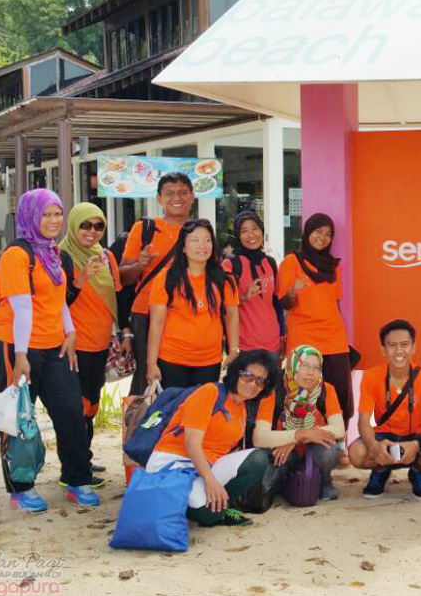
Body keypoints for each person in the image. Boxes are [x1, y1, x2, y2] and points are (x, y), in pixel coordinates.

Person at [0, 189, 99, 511]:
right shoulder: (16, 255)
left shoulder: (53, 253)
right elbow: (22, 308)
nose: (53, 220)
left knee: (71, 413)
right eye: (46, 214)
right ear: (30, 217)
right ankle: (21, 489)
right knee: (19, 418)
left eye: (57, 214)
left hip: (54, 346)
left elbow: (59, 299)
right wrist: (21, 356)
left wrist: (70, 331)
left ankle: (77, 480)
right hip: (17, 346)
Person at [145, 351, 278, 527]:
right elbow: (192, 442)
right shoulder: (210, 392)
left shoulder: (241, 407)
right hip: (174, 462)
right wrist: (210, 480)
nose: (253, 384)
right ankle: (180, 504)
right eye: (248, 375)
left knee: (257, 459)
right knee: (207, 514)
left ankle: (219, 507)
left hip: (205, 465)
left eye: (260, 380)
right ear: (236, 373)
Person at [277, 213, 354, 460]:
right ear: (307, 232)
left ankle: (339, 445)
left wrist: (343, 337)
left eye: (328, 234)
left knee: (340, 394)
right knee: (302, 395)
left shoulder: (333, 266)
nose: (322, 237)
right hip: (304, 337)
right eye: (318, 231)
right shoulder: (292, 261)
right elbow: (285, 303)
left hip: (334, 338)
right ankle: (302, 447)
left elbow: (335, 304)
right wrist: (293, 290)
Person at [60, 202, 128, 479]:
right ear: (73, 226)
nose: (92, 231)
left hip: (100, 344)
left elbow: (119, 297)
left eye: (98, 225)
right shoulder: (61, 256)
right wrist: (82, 278)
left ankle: (83, 460)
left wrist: (126, 331)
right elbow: (59, 302)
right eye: (85, 225)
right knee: (74, 408)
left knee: (91, 405)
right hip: (73, 345)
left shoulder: (106, 257)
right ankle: (73, 469)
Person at [349, 319, 421, 500]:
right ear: (383, 349)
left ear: (413, 347)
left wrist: (417, 444)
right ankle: (380, 469)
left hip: (415, 436)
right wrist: (375, 447)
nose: (399, 351)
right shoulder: (371, 376)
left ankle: (417, 471)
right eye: (392, 345)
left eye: (404, 345)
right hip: (384, 437)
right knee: (356, 453)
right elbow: (363, 421)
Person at [118, 172, 195, 397]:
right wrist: (140, 264)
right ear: (159, 198)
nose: (177, 198)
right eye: (170, 193)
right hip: (147, 313)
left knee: (181, 377)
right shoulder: (145, 229)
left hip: (187, 314)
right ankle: (142, 419)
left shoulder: (199, 230)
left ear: (192, 197)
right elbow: (123, 277)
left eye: (182, 192)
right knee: (148, 377)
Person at [146, 219, 240, 389]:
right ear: (183, 247)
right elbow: (157, 322)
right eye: (195, 240)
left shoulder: (224, 277)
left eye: (207, 240)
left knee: (204, 405)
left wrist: (234, 349)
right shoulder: (167, 277)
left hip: (210, 360)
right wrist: (151, 363)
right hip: (172, 359)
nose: (202, 246)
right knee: (176, 405)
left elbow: (232, 314)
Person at [253, 345, 345, 501]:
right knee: (279, 458)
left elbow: (339, 429)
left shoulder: (326, 389)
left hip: (314, 447)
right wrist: (297, 436)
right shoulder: (274, 390)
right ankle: (287, 483)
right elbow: (259, 438)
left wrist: (300, 437)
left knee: (329, 451)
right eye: (304, 366)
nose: (310, 373)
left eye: (316, 368)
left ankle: (324, 481)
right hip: (283, 450)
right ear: (292, 365)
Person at [224, 210, 284, 357]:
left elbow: (276, 304)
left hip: (273, 346)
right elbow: (222, 308)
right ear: (238, 235)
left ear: (262, 231)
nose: (251, 235)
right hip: (244, 347)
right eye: (244, 231)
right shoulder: (230, 265)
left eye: (255, 228)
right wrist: (243, 297)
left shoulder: (270, 263)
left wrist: (282, 335)